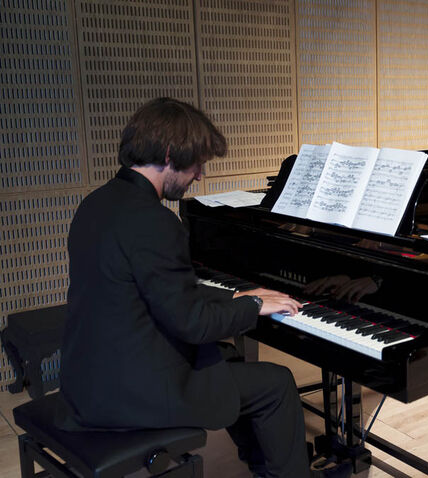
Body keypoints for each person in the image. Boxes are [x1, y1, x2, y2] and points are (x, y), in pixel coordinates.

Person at [58, 97, 311, 477]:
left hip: (92, 377)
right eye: (198, 163)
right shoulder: (155, 222)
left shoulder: (97, 203)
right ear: (170, 154)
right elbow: (191, 323)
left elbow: (159, 293)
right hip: (130, 393)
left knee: (224, 359)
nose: (200, 175)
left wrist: (231, 297)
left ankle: (264, 462)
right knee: (276, 382)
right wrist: (252, 304)